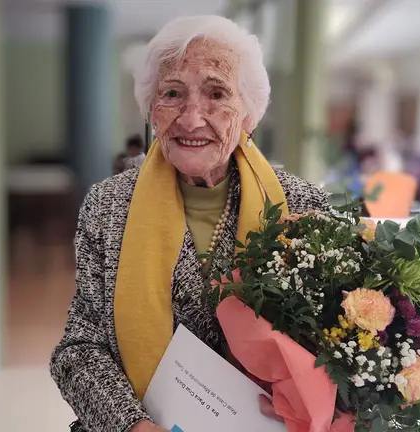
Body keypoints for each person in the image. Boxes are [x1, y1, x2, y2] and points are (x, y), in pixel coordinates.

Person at [50, 16, 331, 432]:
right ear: (151, 109)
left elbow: (336, 345)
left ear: (248, 114)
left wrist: (309, 397)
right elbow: (78, 349)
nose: (191, 117)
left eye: (216, 93)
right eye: (172, 93)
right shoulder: (107, 206)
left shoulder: (305, 206)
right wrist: (133, 426)